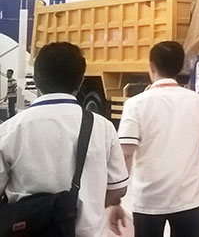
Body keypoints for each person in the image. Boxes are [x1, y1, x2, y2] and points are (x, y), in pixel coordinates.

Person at [0, 42, 129, 236]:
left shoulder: (9, 129)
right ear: (81, 80)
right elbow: (118, 189)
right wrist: (90, 204)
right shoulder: (103, 127)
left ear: (36, 79)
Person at [109, 41, 199, 237]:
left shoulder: (135, 104)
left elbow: (126, 153)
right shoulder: (198, 101)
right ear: (180, 67)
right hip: (188, 200)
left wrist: (115, 200)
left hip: (148, 201)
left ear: (151, 66)